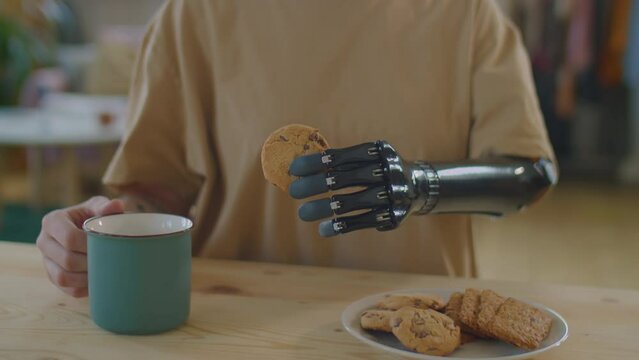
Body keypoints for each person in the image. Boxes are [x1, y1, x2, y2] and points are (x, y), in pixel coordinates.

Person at [36, 0, 556, 298]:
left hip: (418, 323)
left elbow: (530, 171)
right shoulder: (195, 15)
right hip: (232, 323)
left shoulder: (464, 15)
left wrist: (420, 184)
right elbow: (157, 191)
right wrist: (102, 231)